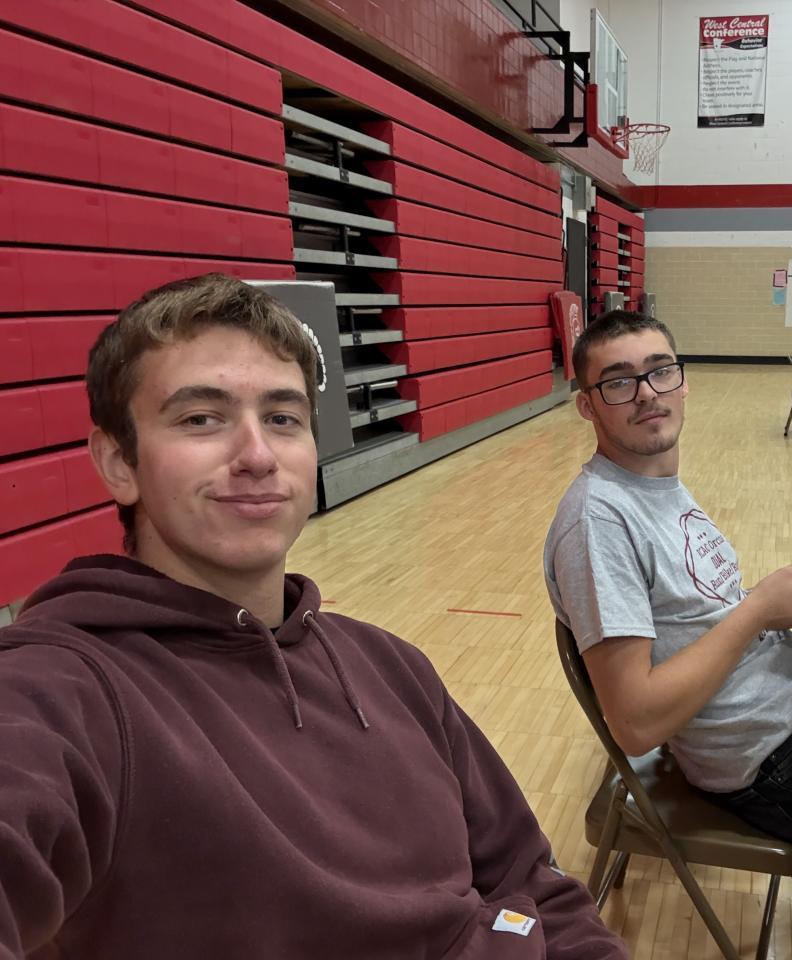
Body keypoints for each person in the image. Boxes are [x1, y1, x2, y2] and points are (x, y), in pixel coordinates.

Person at [0, 274, 627, 960]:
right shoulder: (66, 690)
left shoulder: (391, 666)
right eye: (201, 418)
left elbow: (532, 880)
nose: (257, 456)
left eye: (282, 418)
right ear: (119, 463)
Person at [543, 310, 792, 864]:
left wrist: (779, 602)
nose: (646, 392)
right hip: (767, 758)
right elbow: (636, 724)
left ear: (682, 382)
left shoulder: (655, 485)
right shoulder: (598, 524)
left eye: (660, 371)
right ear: (587, 406)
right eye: (618, 382)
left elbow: (693, 616)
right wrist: (759, 609)